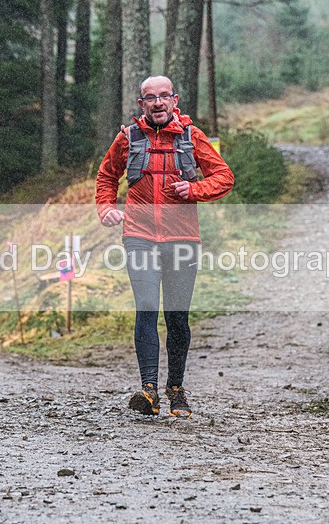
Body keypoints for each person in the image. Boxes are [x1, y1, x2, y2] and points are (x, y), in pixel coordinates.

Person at [95, 75, 234, 417]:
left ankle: (176, 389)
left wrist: (195, 190)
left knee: (176, 318)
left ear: (174, 100)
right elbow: (106, 176)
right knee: (145, 307)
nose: (157, 102)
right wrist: (107, 207)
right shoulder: (128, 137)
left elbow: (224, 177)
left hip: (182, 241)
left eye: (163, 96)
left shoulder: (191, 136)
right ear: (141, 104)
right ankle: (148, 390)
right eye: (150, 97)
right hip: (139, 237)